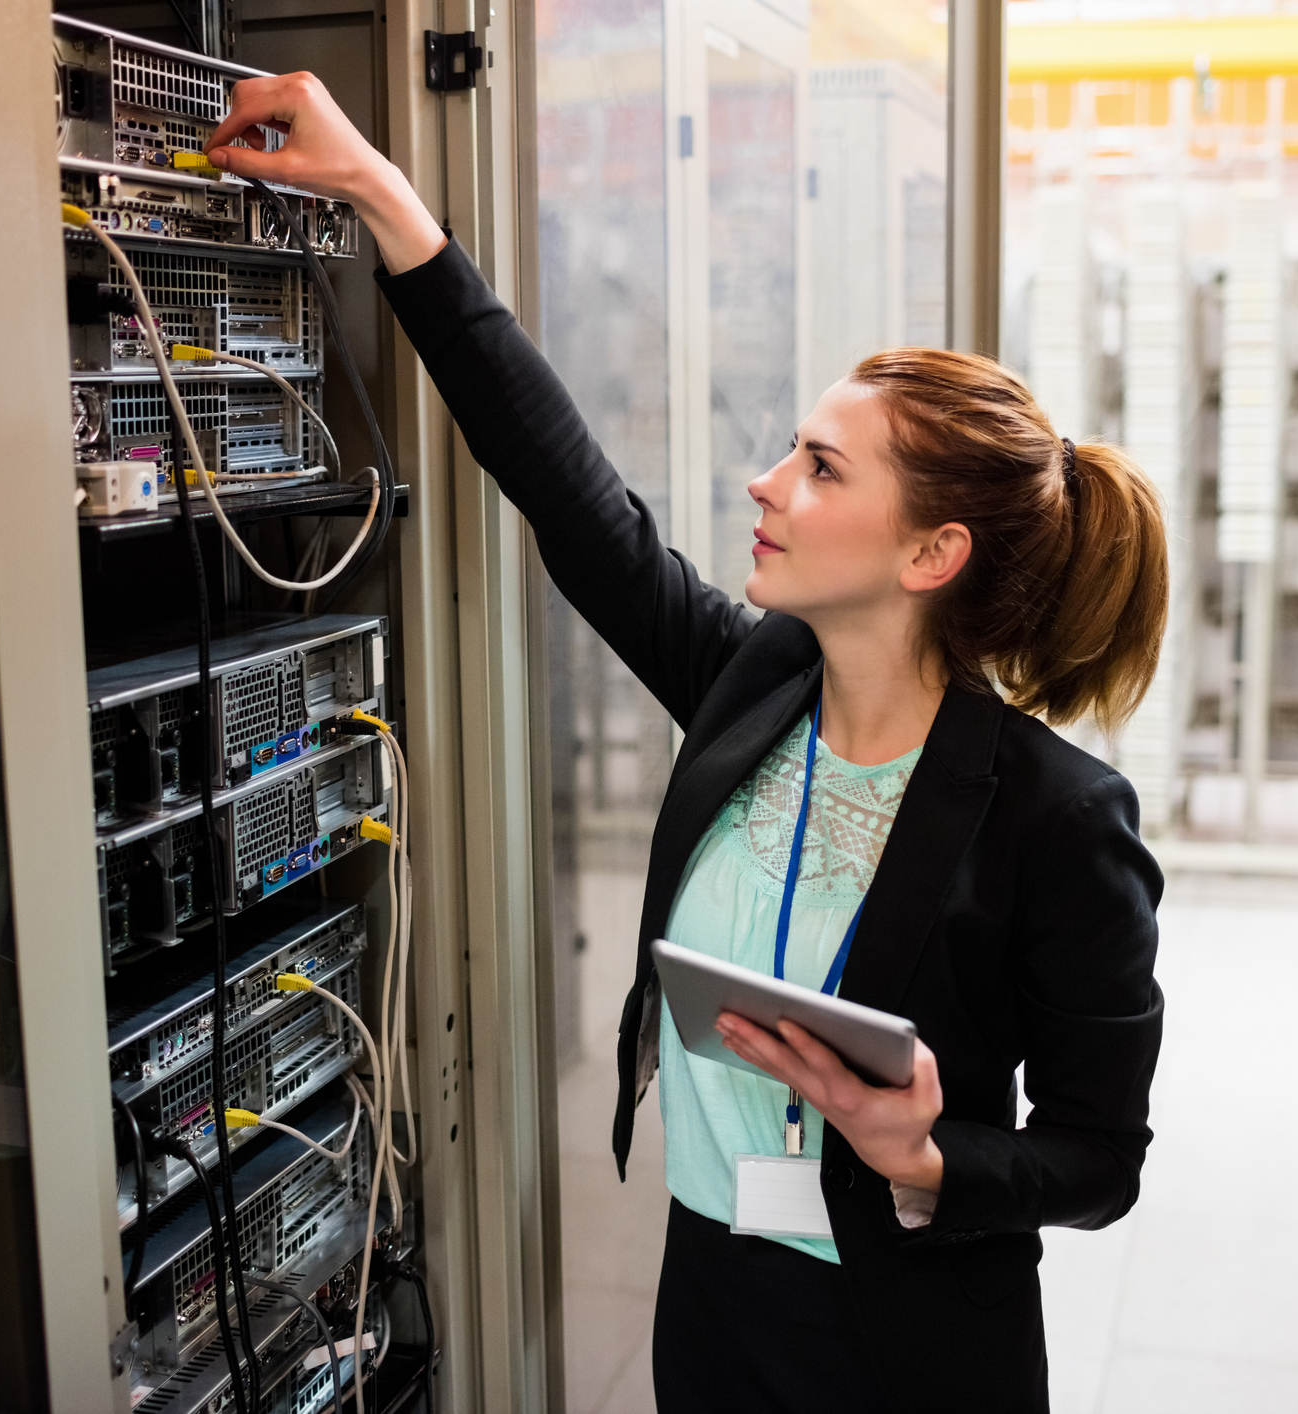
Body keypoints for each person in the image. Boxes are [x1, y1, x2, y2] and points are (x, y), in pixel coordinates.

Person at [204, 76, 1169, 1414]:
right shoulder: (751, 684)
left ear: (929, 552)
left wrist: (930, 1155)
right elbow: (567, 488)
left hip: (904, 1332)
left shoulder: (1056, 817)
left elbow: (1097, 1156)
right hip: (713, 1293)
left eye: (824, 468)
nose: (768, 483)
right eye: (790, 451)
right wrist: (384, 198)